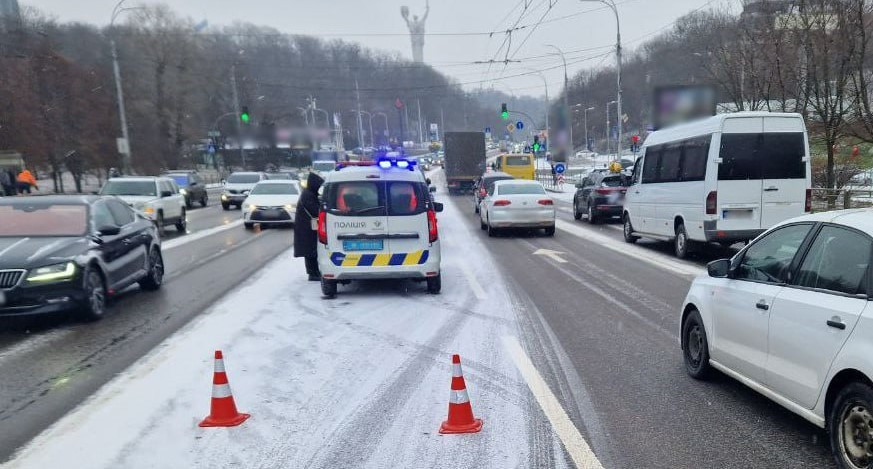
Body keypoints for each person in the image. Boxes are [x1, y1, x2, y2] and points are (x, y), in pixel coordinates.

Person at [294, 172, 325, 281]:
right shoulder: (308, 195)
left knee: (311, 251)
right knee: (310, 252)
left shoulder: (308, 193)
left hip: (307, 228)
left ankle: (314, 272)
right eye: (318, 185)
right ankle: (313, 274)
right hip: (306, 229)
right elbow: (316, 210)